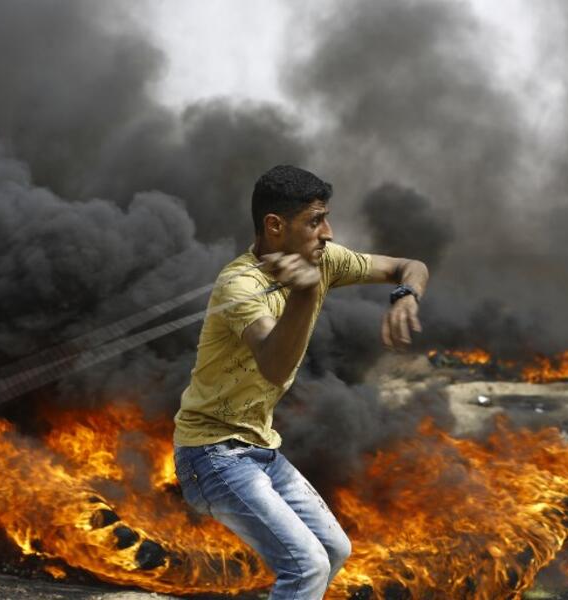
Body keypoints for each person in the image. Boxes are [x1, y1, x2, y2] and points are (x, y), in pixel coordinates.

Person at [172, 165, 428, 599]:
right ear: (275, 226)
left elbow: (409, 265)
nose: (327, 232)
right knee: (305, 566)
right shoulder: (239, 285)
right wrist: (307, 294)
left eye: (325, 218)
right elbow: (274, 364)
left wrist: (406, 296)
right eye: (314, 221)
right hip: (211, 455)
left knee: (335, 548)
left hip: (260, 449)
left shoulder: (324, 261)